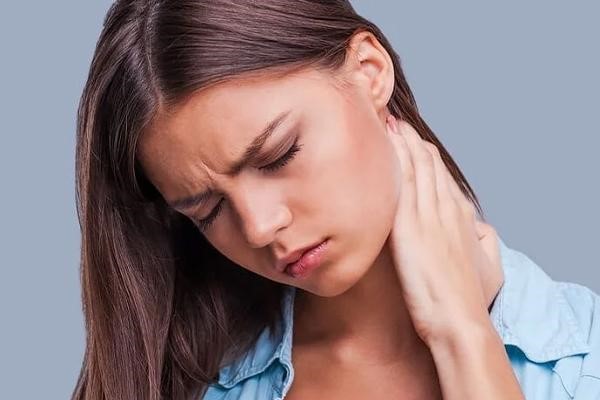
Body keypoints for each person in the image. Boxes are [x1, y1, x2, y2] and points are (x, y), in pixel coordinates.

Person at [72, 1, 600, 399]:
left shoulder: (585, 363)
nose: (258, 226)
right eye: (207, 212)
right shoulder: (188, 383)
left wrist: (462, 335)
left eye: (279, 155)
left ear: (370, 71)